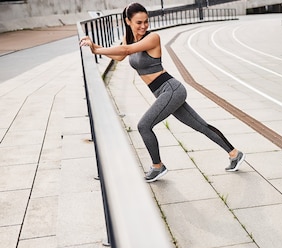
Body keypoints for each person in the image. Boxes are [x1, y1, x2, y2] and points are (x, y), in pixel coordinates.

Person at [79, 3, 245, 182]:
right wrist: (95, 48)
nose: (143, 26)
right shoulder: (130, 38)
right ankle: (235, 154)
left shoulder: (152, 38)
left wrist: (97, 48)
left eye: (146, 22)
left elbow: (126, 51)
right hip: (164, 92)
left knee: (144, 126)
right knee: (200, 126)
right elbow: (120, 56)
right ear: (128, 21)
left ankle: (157, 167)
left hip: (170, 89)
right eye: (138, 22)